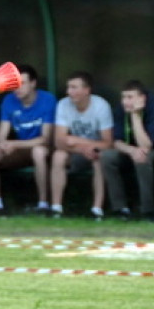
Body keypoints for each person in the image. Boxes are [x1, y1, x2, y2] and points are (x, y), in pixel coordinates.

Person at [0, 63, 56, 216]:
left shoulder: (48, 100)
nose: (18, 88)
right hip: (19, 149)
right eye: (16, 84)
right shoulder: (9, 100)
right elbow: (1, 134)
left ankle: (43, 205)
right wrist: (2, 144)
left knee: (39, 152)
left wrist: (14, 144)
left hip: (42, 149)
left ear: (33, 83)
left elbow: (45, 139)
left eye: (23, 83)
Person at [99, 81, 154, 219]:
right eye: (123, 97)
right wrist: (131, 150)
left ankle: (147, 210)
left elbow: (146, 145)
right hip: (130, 150)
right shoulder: (121, 110)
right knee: (107, 156)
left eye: (130, 97)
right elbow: (117, 141)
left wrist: (135, 116)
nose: (125, 101)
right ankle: (120, 209)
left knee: (142, 159)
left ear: (142, 98)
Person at [49, 72, 113, 219]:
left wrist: (77, 141)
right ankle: (56, 208)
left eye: (74, 88)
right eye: (68, 87)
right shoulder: (63, 105)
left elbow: (108, 143)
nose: (68, 92)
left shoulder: (101, 106)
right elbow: (59, 141)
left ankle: (97, 210)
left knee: (99, 159)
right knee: (58, 156)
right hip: (73, 152)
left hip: (95, 151)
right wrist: (82, 148)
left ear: (87, 90)